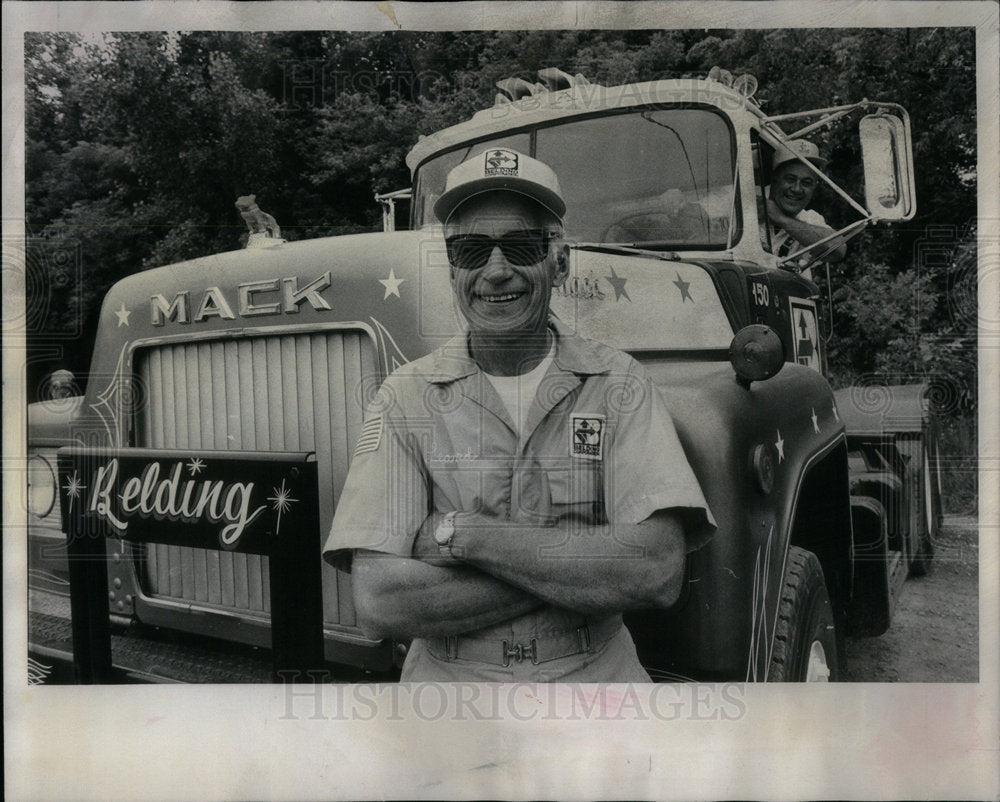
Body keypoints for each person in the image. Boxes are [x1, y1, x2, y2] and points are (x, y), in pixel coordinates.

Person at [323, 148, 716, 681]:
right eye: (471, 251)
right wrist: (578, 574)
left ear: (560, 261)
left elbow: (655, 569)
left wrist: (458, 535)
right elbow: (380, 602)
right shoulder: (405, 397)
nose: (497, 271)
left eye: (522, 246)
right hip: (450, 689)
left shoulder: (620, 385)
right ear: (451, 267)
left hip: (595, 677)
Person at [761, 139, 846, 278]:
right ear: (775, 179)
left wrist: (780, 218)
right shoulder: (743, 202)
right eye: (790, 179)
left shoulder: (809, 219)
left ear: (814, 188)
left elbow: (839, 249)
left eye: (806, 183)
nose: (797, 189)